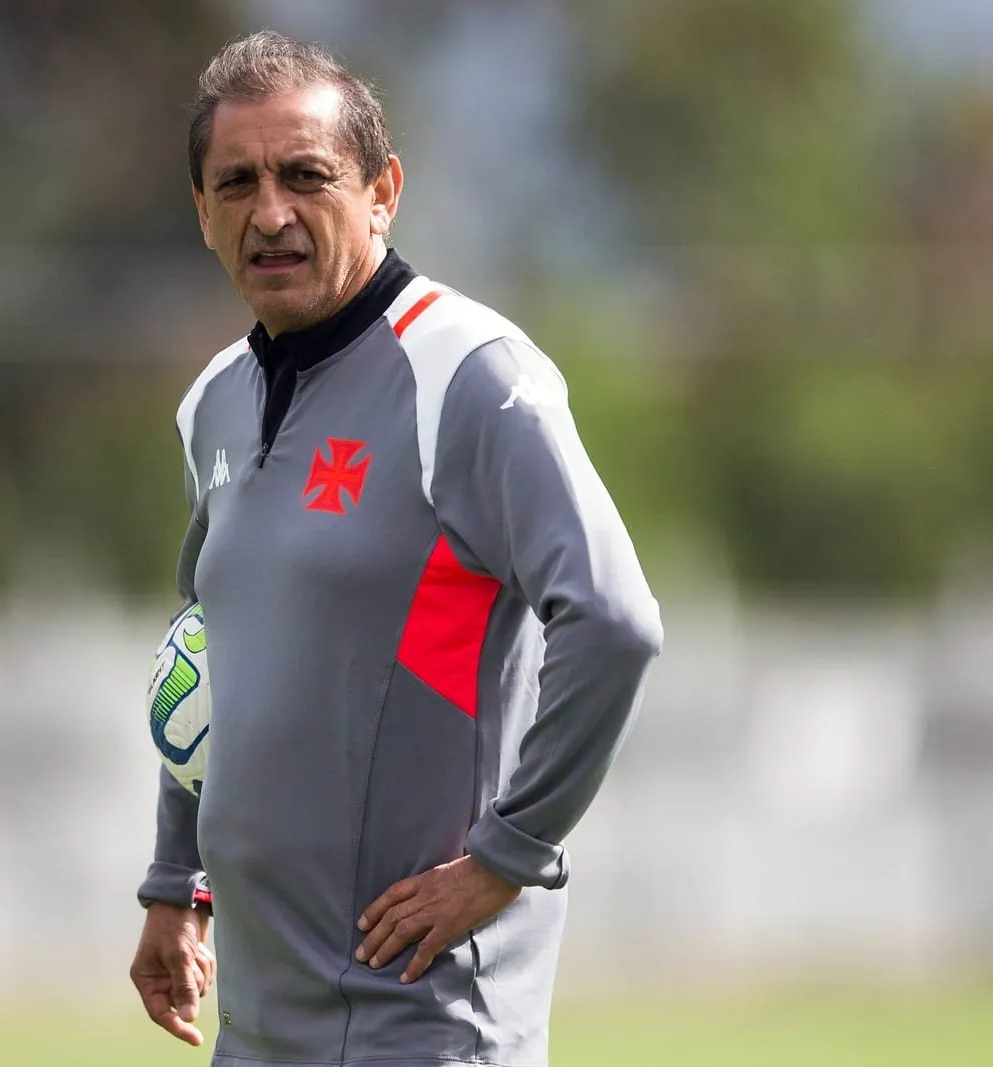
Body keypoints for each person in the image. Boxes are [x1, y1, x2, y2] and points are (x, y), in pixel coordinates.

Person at [129, 30, 662, 1067]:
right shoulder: (214, 403)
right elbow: (210, 657)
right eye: (234, 184)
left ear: (383, 190)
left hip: (427, 1027)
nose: (269, 213)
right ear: (200, 213)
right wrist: (175, 881)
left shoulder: (471, 375)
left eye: (305, 176)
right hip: (258, 1028)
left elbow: (612, 620)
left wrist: (506, 855)